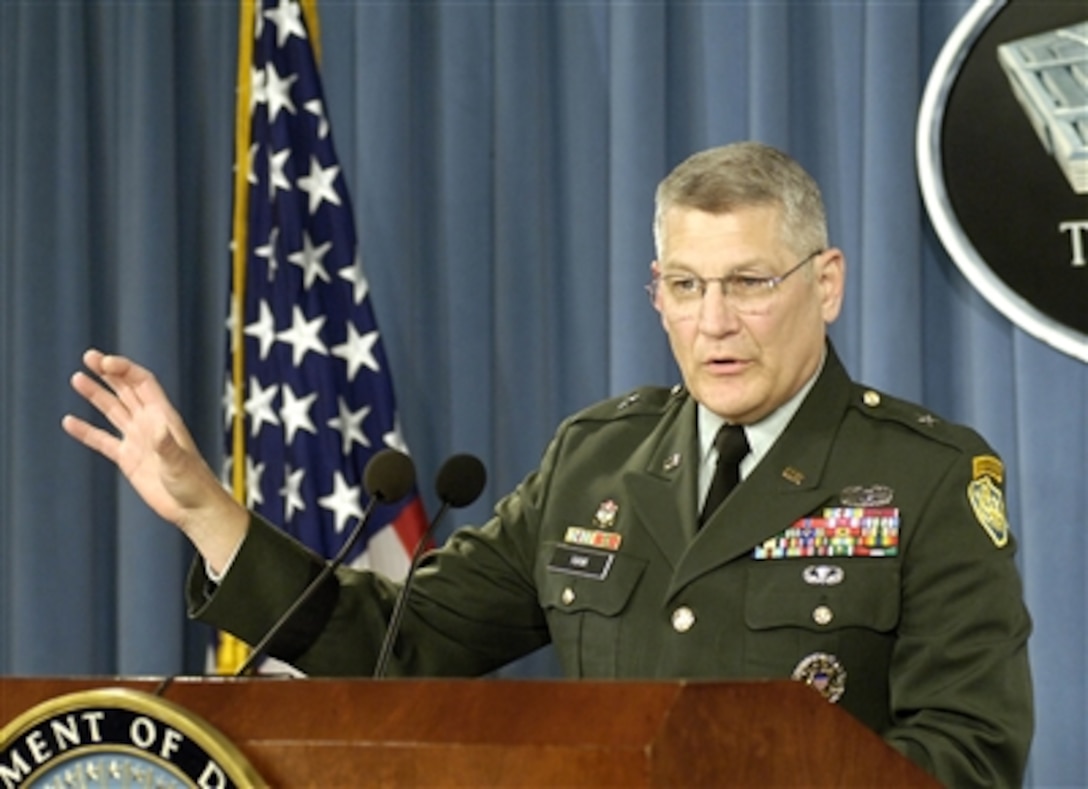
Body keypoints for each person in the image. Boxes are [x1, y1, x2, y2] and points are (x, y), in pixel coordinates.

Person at [63, 141, 1033, 785]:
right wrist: (203, 510)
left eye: (748, 284)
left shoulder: (926, 476)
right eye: (685, 286)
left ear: (824, 286)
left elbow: (969, 756)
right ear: (654, 293)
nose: (713, 323)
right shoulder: (595, 462)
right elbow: (401, 648)